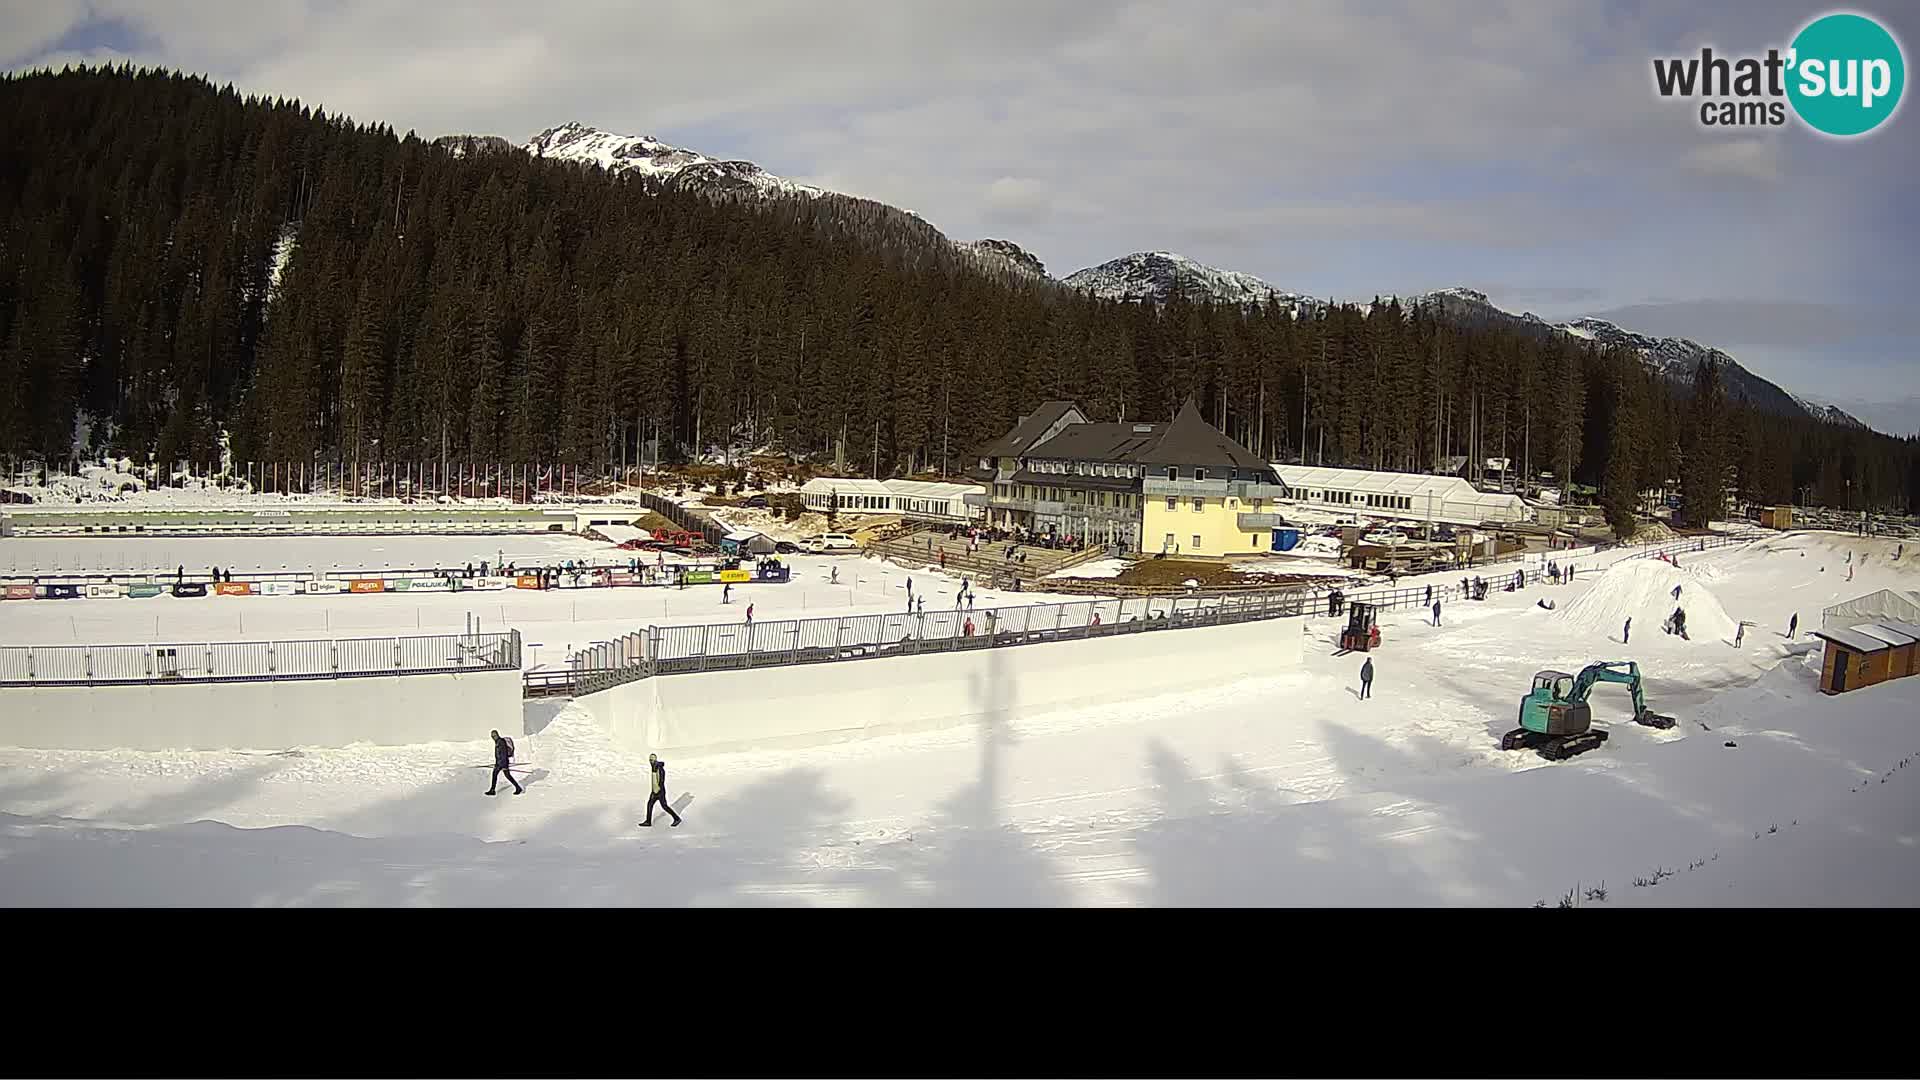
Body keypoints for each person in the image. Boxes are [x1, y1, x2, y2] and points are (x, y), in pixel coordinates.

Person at [641, 753, 682, 827]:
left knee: (664, 806)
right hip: (654, 790)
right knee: (650, 804)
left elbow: (661, 780)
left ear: (655, 759)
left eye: (652, 760)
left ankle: (677, 818)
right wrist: (654, 790)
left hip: (660, 791)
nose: (651, 761)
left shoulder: (659, 768)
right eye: (650, 760)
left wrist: (658, 789)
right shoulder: (653, 767)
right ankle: (648, 821)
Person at [486, 729, 523, 796]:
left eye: (494, 735)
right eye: (492, 736)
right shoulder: (497, 742)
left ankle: (518, 788)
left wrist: (504, 766)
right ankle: (492, 790)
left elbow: (504, 754)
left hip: (503, 763)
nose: (493, 737)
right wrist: (497, 763)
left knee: (505, 775)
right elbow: (498, 754)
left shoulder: (501, 742)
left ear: (497, 735)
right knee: (497, 775)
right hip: (499, 763)